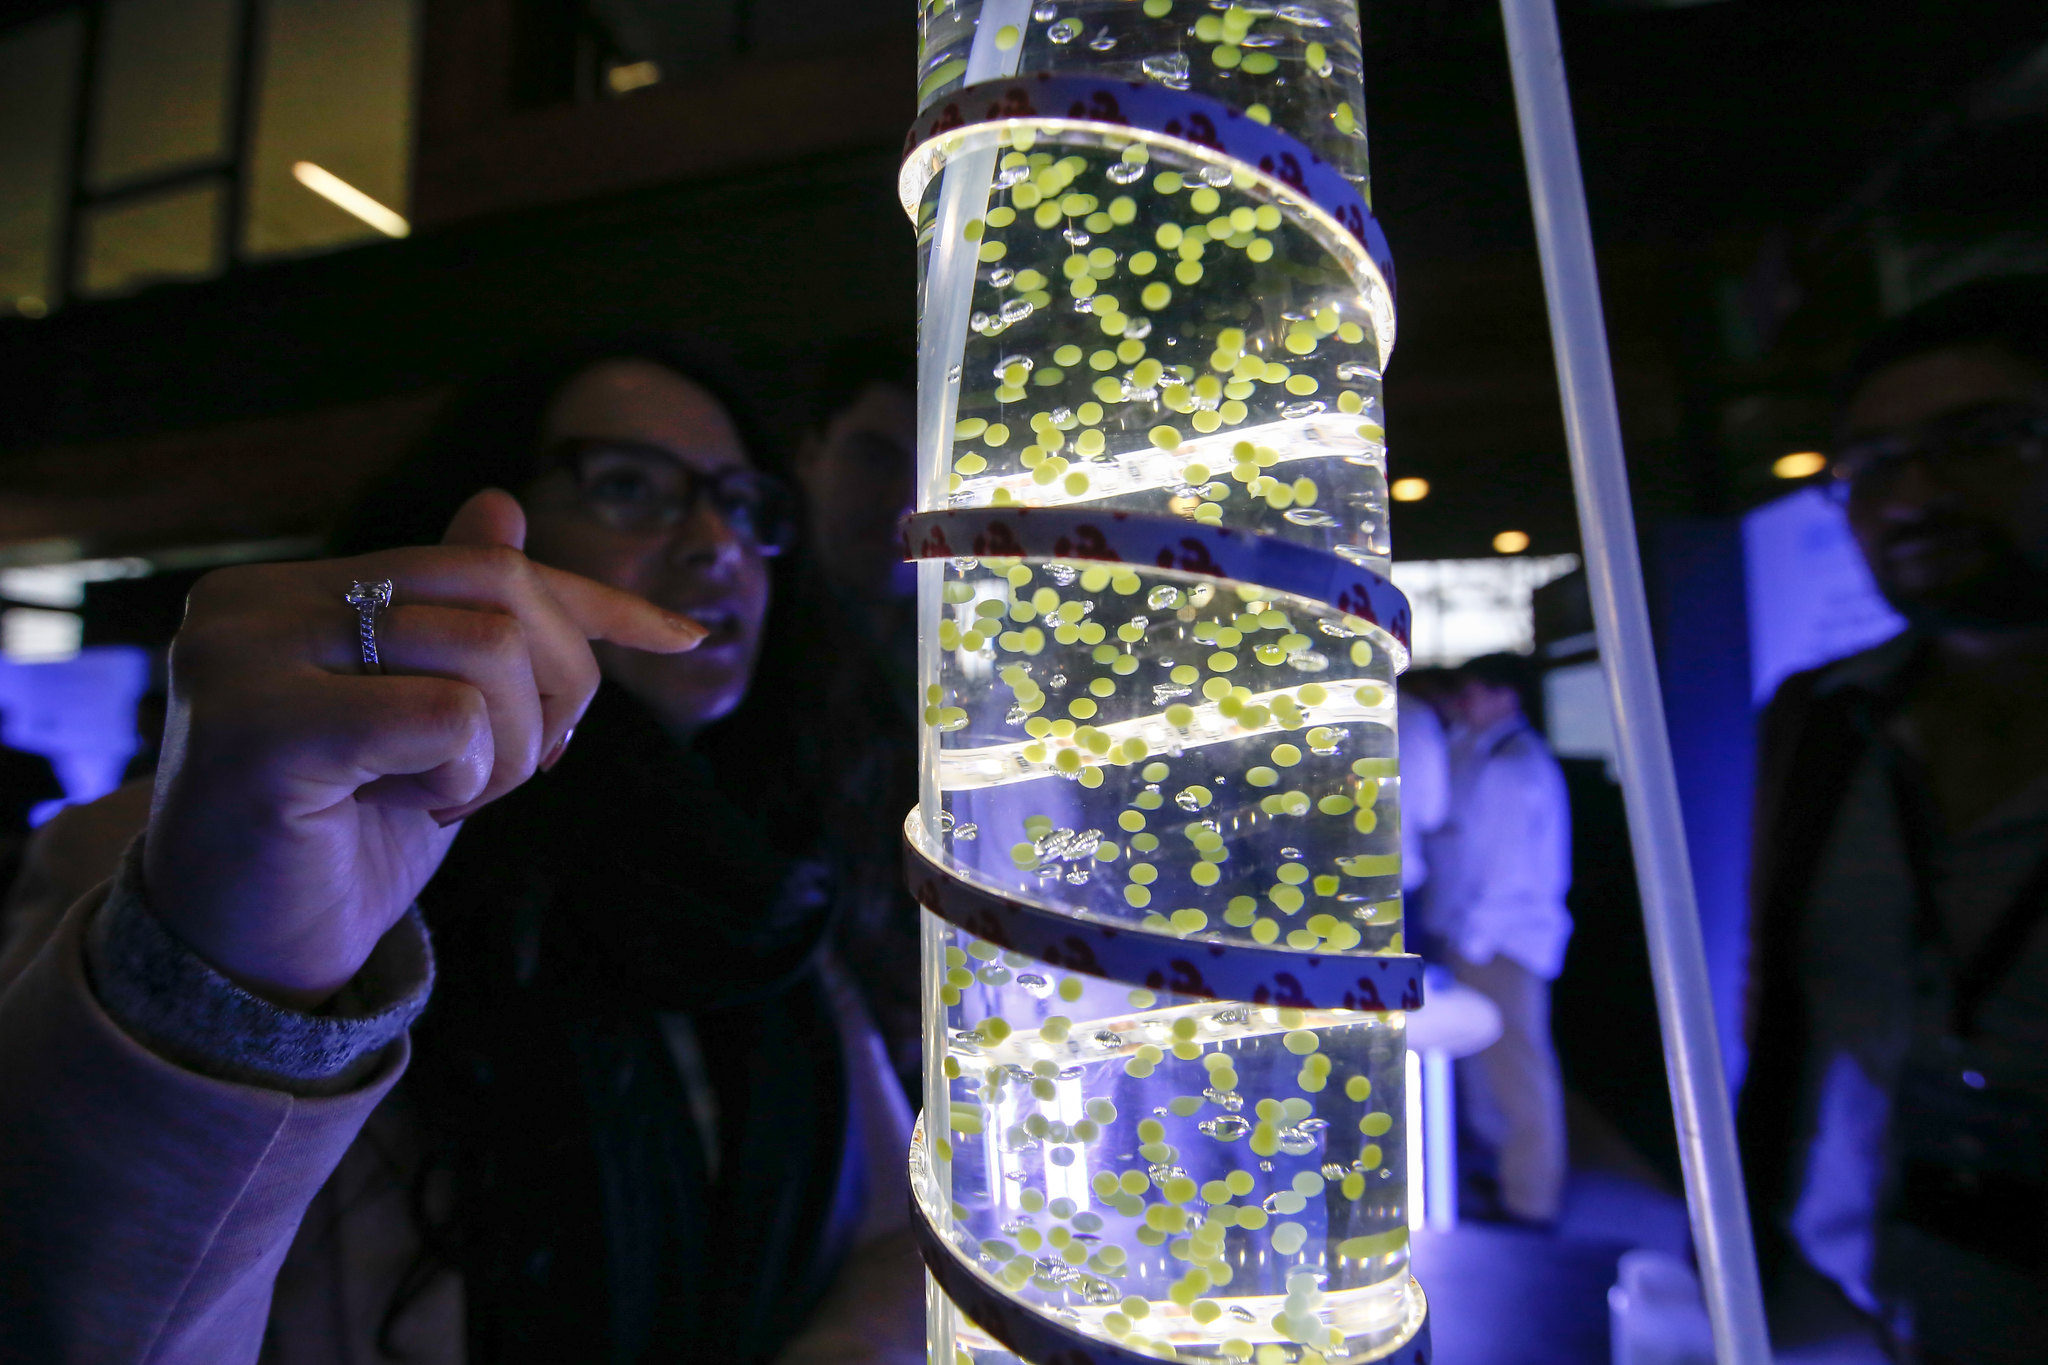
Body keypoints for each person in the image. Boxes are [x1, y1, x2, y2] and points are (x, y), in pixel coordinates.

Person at [0, 336, 921, 1364]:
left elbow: (890, 1232)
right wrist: (228, 979)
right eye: (627, 486)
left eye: (744, 505)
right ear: (477, 533)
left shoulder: (776, 874)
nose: (715, 543)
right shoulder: (212, 855)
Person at [1742, 276, 2048, 1363]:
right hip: (1835, 1284)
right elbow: (1782, 994)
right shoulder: (1822, 717)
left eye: (1982, 438)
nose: (1914, 493)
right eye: (1872, 464)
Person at [785, 338, 921, 1091]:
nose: (905, 498)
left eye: (933, 470)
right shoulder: (744, 656)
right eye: (874, 457)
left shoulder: (969, 666)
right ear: (811, 455)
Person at [1421, 651, 1573, 1225]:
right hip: (1481, 934)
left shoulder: (1512, 766)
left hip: (1501, 940)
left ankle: (1532, 1200)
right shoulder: (1486, 751)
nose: (1463, 703)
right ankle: (1510, 1180)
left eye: (1474, 692)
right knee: (1493, 1068)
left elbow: (1504, 871)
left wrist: (1473, 939)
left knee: (1517, 1070)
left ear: (1506, 696)